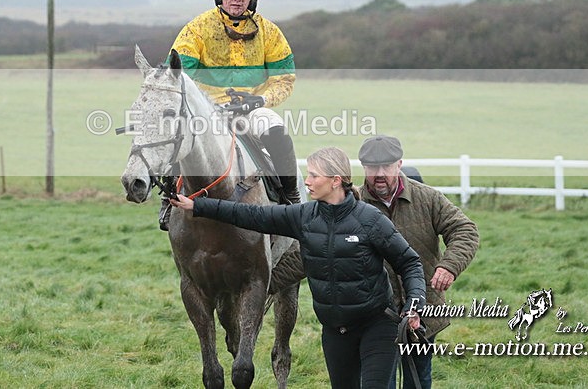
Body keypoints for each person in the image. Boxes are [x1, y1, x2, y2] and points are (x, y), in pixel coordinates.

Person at [170, 146, 426, 388]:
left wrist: (414, 305)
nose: (307, 181)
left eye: (314, 176)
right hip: (335, 331)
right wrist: (197, 205)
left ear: (335, 181)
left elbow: (409, 262)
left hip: (377, 326)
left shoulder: (370, 220)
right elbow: (252, 215)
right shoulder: (304, 216)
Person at [159, 0, 299, 230]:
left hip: (251, 110)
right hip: (206, 111)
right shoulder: (196, 29)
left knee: (276, 129)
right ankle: (168, 198)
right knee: (177, 131)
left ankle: (291, 197)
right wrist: (203, 105)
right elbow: (177, 76)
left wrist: (260, 100)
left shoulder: (270, 32)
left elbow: (285, 79)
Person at [357, 135, 480, 389]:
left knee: (418, 380)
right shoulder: (353, 204)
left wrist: (449, 266)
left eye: (386, 166)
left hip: (423, 308)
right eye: (372, 167)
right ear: (363, 167)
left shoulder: (428, 198)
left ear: (399, 164)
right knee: (379, 382)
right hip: (374, 312)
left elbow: (465, 230)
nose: (379, 174)